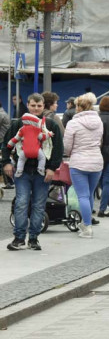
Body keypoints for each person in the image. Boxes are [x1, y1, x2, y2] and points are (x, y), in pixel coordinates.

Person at [3, 93, 63, 251]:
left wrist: (52, 168)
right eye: (33, 105)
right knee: (21, 203)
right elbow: (6, 144)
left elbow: (58, 149)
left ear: (44, 107)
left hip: (43, 172)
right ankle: (19, 238)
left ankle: (34, 238)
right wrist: (6, 163)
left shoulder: (50, 125)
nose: (36, 108)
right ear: (27, 105)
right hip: (22, 171)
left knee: (38, 205)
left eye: (39, 106)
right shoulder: (18, 124)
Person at [63, 94, 105, 238]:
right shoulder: (99, 121)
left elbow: (67, 146)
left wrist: (69, 153)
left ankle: (87, 227)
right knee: (89, 195)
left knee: (82, 196)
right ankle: (87, 223)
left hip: (79, 162)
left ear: (79, 107)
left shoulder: (73, 123)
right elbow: (100, 141)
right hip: (97, 162)